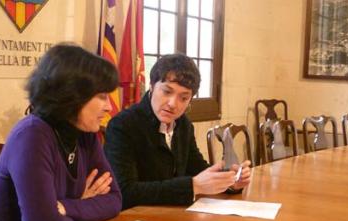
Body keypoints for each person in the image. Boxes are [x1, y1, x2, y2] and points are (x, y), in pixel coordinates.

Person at [0, 43, 122, 221]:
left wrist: (66, 206)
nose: (109, 107)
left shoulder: (85, 132)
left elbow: (114, 200)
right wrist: (84, 205)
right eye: (102, 96)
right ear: (72, 95)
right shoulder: (32, 136)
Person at [104, 53, 251, 210]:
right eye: (167, 92)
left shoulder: (184, 125)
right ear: (152, 86)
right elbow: (125, 192)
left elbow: (196, 168)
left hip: (175, 216)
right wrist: (193, 186)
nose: (173, 104)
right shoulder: (122, 125)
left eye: (183, 98)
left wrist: (229, 182)